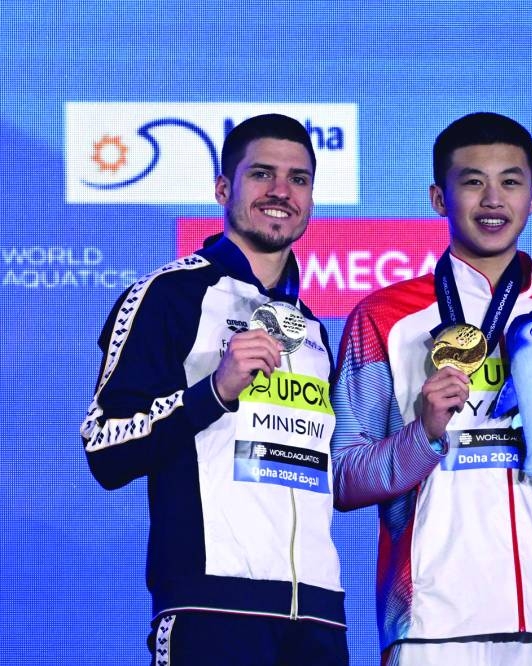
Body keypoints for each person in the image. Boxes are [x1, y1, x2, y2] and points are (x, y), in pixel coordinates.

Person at [331, 112, 532, 665]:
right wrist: (423, 435)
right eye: (472, 181)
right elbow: (343, 477)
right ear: (439, 197)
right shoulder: (384, 316)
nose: (492, 198)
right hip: (431, 619)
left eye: (510, 181)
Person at [80, 114, 348, 665]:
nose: (281, 191)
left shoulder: (313, 329)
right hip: (211, 610)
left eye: (298, 179)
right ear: (224, 188)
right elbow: (104, 448)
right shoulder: (168, 295)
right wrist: (216, 391)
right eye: (262, 175)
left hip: (318, 617)